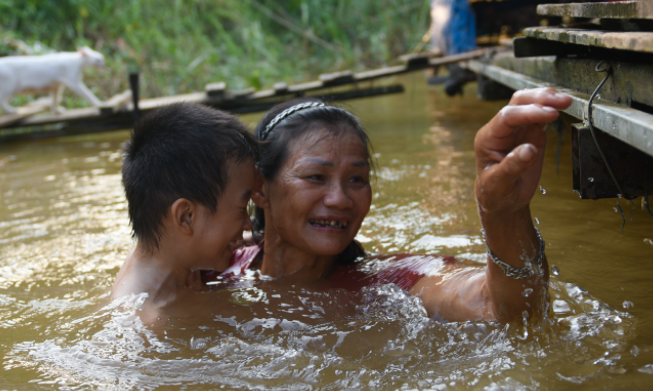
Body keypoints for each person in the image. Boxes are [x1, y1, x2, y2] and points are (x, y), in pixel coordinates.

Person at [229, 87, 571, 323]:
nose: (340, 200)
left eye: (357, 180)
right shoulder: (219, 267)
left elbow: (506, 310)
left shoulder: (391, 282)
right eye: (316, 177)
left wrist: (502, 212)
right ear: (260, 188)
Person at [110, 103, 259, 325]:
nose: (248, 223)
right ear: (186, 217)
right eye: (242, 208)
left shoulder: (168, 255)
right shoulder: (147, 322)